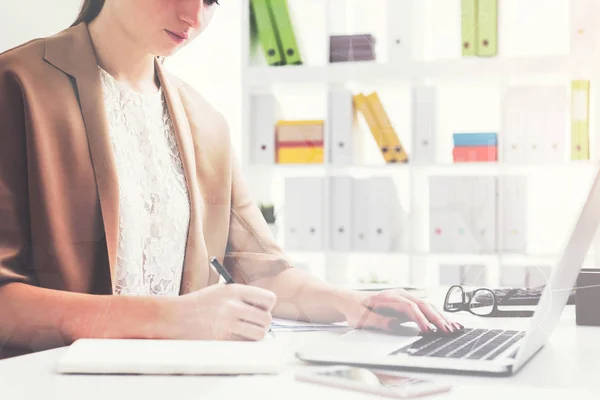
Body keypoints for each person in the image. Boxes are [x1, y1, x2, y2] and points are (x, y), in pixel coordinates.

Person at [0, 0, 460, 359]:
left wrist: (351, 304)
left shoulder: (207, 122)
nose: (193, 16)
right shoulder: (17, 84)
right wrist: (170, 318)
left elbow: (261, 270)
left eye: (212, 0)